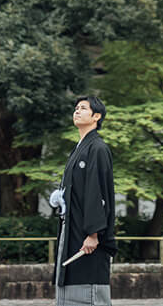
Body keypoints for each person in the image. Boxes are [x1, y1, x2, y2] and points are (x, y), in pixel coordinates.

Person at [50, 95, 116, 306]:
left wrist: (93, 233)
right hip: (71, 228)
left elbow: (97, 192)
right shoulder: (78, 149)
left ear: (97, 116)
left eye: (83, 108)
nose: (77, 111)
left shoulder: (97, 148)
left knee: (88, 293)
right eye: (76, 108)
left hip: (87, 237)